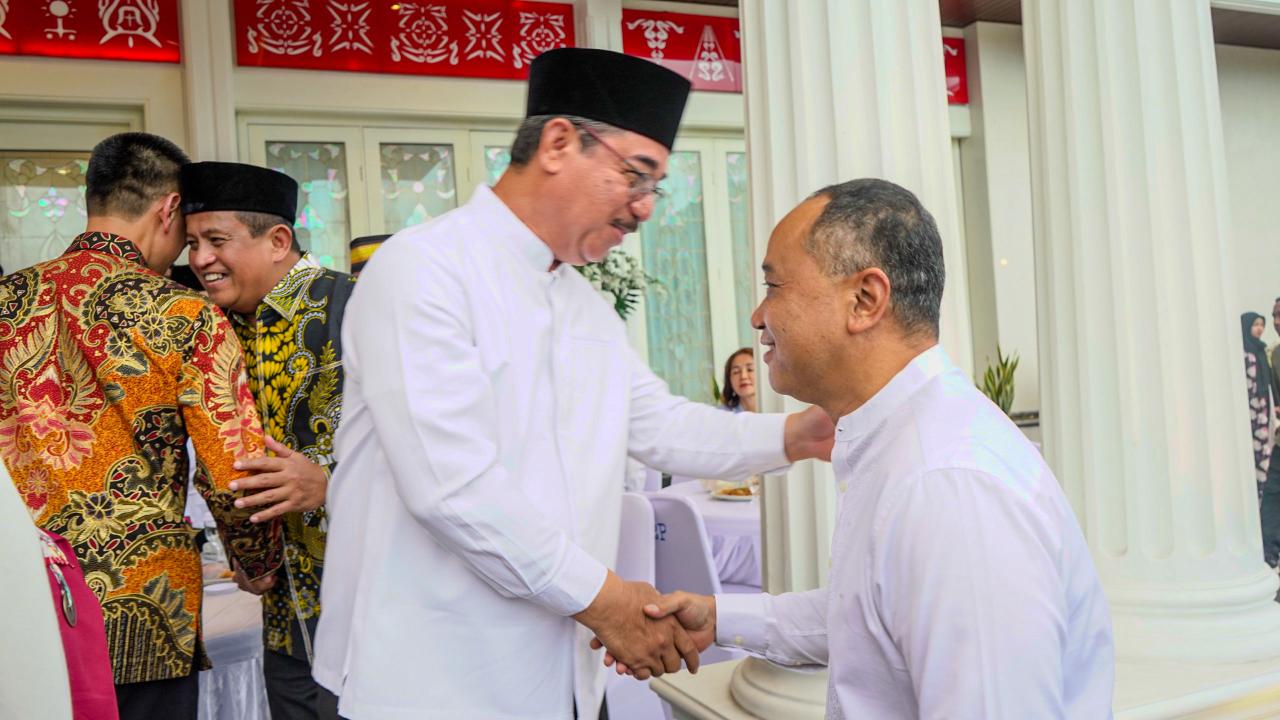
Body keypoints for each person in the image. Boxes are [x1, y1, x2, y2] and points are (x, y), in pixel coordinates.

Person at [312, 48, 835, 720]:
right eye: (635, 175)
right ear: (558, 142)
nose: (644, 209)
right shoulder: (424, 270)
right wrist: (608, 601)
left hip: (559, 676)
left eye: (655, 187)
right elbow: (451, 486)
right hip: (431, 674)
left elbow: (658, 423)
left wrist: (799, 434)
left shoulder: (584, 308)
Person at [622, 179, 1114, 718]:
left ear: (865, 300)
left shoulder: (948, 483)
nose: (758, 317)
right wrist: (720, 618)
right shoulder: (905, 443)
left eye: (774, 286)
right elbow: (866, 612)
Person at [0, 132, 283, 720]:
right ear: (169, 209)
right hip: (145, 606)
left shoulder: (7, 302)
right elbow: (235, 468)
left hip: (22, 595)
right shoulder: (184, 313)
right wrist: (257, 563)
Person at [182, 161, 356, 720]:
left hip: (369, 616)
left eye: (216, 241)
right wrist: (246, 551)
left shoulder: (353, 306)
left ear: (278, 241)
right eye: (192, 243)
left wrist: (329, 483)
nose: (200, 259)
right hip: (284, 620)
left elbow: (424, 448)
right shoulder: (215, 327)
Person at [1243, 312, 1272, 492]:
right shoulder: (1246, 353)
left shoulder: (1262, 350)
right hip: (1254, 410)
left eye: (1262, 324)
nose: (1260, 328)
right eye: (1255, 325)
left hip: (1265, 406)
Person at [1264, 299, 1280, 566]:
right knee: (1271, 497)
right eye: (1275, 315)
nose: (1276, 321)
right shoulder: (1274, 353)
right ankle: (1269, 561)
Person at [719, 347, 757, 413]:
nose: (743, 376)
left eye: (750, 369)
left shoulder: (775, 408)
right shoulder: (722, 414)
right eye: (736, 372)